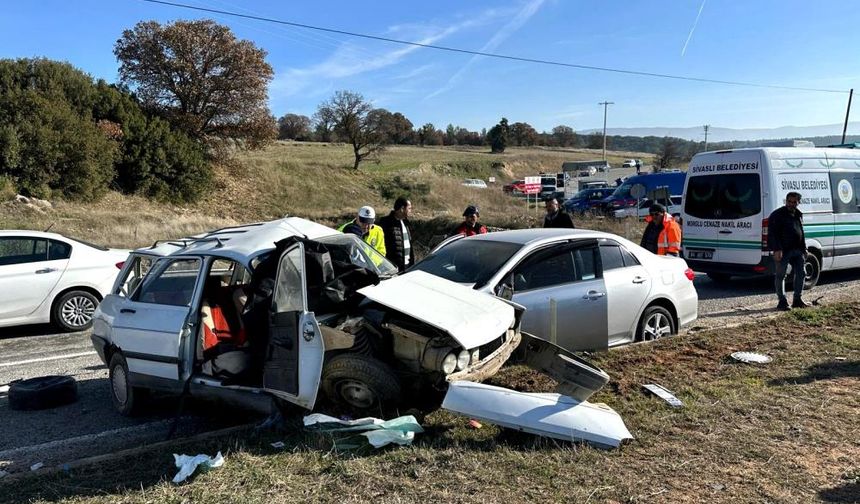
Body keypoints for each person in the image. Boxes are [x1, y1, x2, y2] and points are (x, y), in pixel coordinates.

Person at [768, 192, 808, 311]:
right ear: (786, 201)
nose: (791, 204)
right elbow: (772, 234)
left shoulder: (798, 214)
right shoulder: (777, 215)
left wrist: (804, 248)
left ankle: (797, 300)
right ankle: (782, 301)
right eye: (789, 201)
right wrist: (777, 249)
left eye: (794, 202)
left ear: (798, 202)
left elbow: (801, 232)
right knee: (780, 275)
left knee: (801, 273)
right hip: (783, 250)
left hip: (797, 249)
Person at [378, 197, 414, 272]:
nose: (410, 211)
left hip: (407, 266)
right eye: (409, 208)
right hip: (393, 268)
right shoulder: (386, 222)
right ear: (402, 209)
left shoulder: (406, 223)